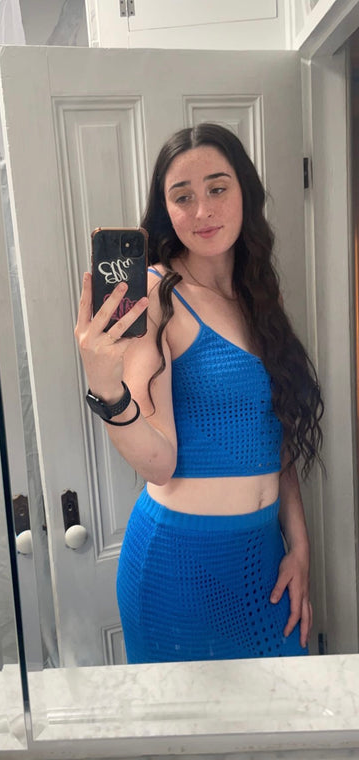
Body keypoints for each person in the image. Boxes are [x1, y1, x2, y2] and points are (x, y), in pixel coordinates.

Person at [75, 123, 324, 664]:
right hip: (177, 567)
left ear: (244, 192)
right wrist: (105, 387)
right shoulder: (157, 295)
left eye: (217, 188)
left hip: (265, 558)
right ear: (166, 210)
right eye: (182, 196)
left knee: (284, 711)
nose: (203, 210)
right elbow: (159, 463)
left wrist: (300, 545)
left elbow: (276, 431)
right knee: (183, 721)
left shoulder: (260, 294)